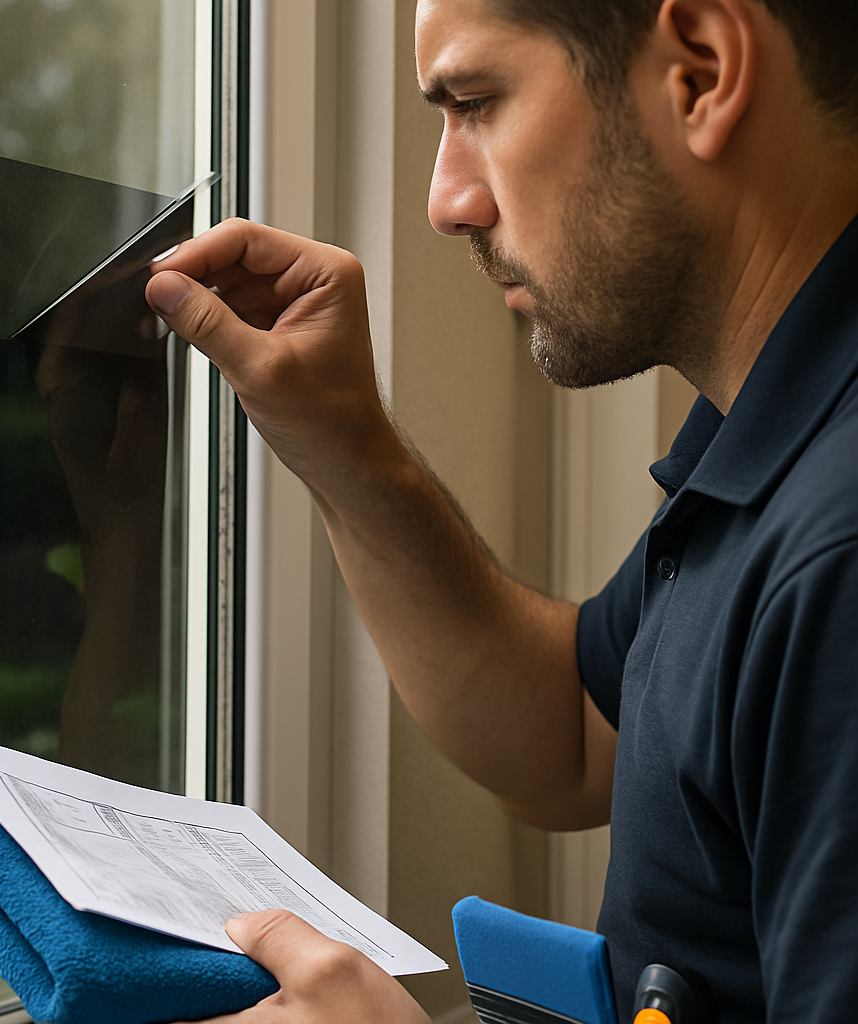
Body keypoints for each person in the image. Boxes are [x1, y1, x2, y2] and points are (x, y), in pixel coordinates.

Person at [145, 0, 858, 1020]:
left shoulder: (837, 552)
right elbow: (572, 731)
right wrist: (342, 441)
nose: (446, 201)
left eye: (476, 101)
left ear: (699, 72)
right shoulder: (766, 421)